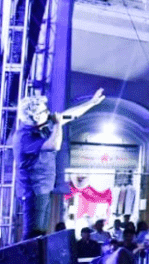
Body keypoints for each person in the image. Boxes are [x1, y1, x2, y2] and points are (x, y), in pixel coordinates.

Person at [14, 89, 104, 236]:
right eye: (45, 111)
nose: (49, 112)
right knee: (32, 235)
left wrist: (91, 103)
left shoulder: (41, 124)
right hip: (33, 191)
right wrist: (57, 125)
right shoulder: (25, 137)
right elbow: (54, 145)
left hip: (43, 189)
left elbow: (70, 115)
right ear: (36, 116)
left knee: (40, 234)